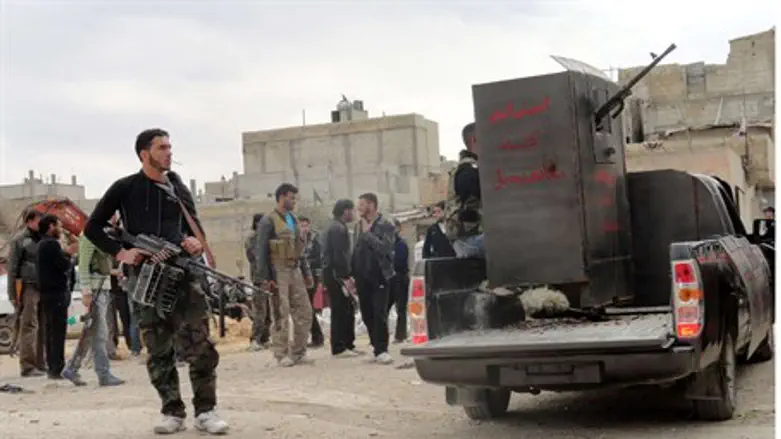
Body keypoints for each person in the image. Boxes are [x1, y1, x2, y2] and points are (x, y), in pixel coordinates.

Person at [83, 128, 227, 435]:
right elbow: (92, 227)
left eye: (170, 147)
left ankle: (206, 410)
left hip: (185, 275)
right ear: (144, 154)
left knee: (200, 344)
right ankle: (172, 410)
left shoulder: (177, 188)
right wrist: (121, 252)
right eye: (162, 148)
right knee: (158, 348)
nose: (169, 153)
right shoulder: (124, 188)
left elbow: (195, 228)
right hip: (147, 279)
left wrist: (194, 243)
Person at [253, 183, 314, 367]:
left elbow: (299, 249)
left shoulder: (293, 219)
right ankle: (280, 353)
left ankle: (299, 351)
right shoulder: (268, 221)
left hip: (294, 269)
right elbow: (261, 251)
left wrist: (306, 272)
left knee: (304, 311)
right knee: (281, 311)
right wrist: (265, 278)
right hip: (277, 271)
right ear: (281, 197)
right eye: (291, 197)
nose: (293, 201)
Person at [61, 228, 125, 387]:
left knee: (91, 332)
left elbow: (102, 265)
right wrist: (86, 292)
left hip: (102, 288)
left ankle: (72, 368)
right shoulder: (89, 237)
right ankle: (103, 374)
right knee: (100, 333)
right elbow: (83, 266)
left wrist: (115, 272)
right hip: (95, 291)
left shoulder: (99, 237)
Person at [352, 193, 396, 365]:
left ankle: (382, 349)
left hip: (379, 276)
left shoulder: (386, 224)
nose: (358, 208)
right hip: (361, 276)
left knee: (379, 312)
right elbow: (355, 250)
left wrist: (367, 234)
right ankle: (375, 346)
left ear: (371, 205)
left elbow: (385, 248)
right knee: (367, 313)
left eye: (362, 204)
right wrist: (351, 273)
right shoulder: (358, 226)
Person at [36, 214, 78, 380]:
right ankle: (57, 367)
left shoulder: (42, 244)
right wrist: (71, 255)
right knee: (57, 331)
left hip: (47, 293)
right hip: (56, 293)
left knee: (50, 331)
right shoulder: (51, 244)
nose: (61, 229)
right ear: (51, 226)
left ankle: (52, 366)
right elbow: (64, 265)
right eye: (59, 225)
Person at [6, 209, 47, 377]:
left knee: (42, 325)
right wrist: (13, 295)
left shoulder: (44, 238)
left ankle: (40, 362)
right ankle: (28, 366)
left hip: (43, 286)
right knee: (29, 325)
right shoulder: (19, 240)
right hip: (28, 287)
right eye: (38, 221)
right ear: (29, 221)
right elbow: (12, 268)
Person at [321, 199, 364, 358]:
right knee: (340, 310)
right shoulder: (338, 229)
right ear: (345, 211)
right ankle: (339, 347)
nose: (354, 213)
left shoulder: (335, 227)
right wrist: (346, 276)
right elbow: (340, 255)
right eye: (352, 210)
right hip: (337, 276)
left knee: (347, 309)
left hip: (334, 274)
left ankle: (348, 344)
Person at [444, 122, 484, 259]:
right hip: (468, 241)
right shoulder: (468, 172)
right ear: (474, 140)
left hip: (468, 239)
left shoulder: (468, 169)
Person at [244, 213, 271, 351]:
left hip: (269, 279)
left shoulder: (265, 238)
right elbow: (256, 258)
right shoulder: (252, 239)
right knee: (260, 311)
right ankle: (255, 339)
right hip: (259, 279)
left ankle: (265, 338)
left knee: (269, 311)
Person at [299, 215, 325, 348]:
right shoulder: (296, 238)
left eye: (305, 225)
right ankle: (316, 336)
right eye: (301, 225)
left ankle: (317, 336)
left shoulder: (315, 238)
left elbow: (319, 258)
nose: (303, 228)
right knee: (306, 307)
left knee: (308, 307)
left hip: (312, 275)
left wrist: (306, 263)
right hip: (301, 276)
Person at [388, 219, 410, 344]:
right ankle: (380, 336)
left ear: (398, 229)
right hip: (388, 279)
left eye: (394, 227)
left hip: (400, 278)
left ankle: (400, 335)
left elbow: (399, 262)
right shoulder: (385, 244)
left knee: (401, 309)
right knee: (383, 308)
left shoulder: (401, 244)